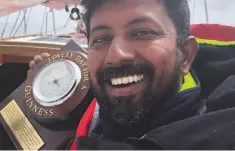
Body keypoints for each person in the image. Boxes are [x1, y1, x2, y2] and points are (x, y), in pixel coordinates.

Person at [28, 0, 235, 149]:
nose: (116, 55)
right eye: (101, 38)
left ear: (185, 55)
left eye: (143, 33)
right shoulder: (105, 100)